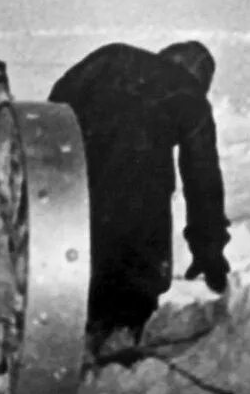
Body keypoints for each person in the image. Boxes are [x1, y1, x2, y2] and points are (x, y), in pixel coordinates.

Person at [48, 40, 232, 354]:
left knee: (77, 255)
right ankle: (118, 337)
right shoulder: (192, 99)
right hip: (141, 186)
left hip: (75, 171)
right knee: (137, 261)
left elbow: (58, 101)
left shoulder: (112, 54)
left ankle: (72, 330)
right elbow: (202, 181)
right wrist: (209, 251)